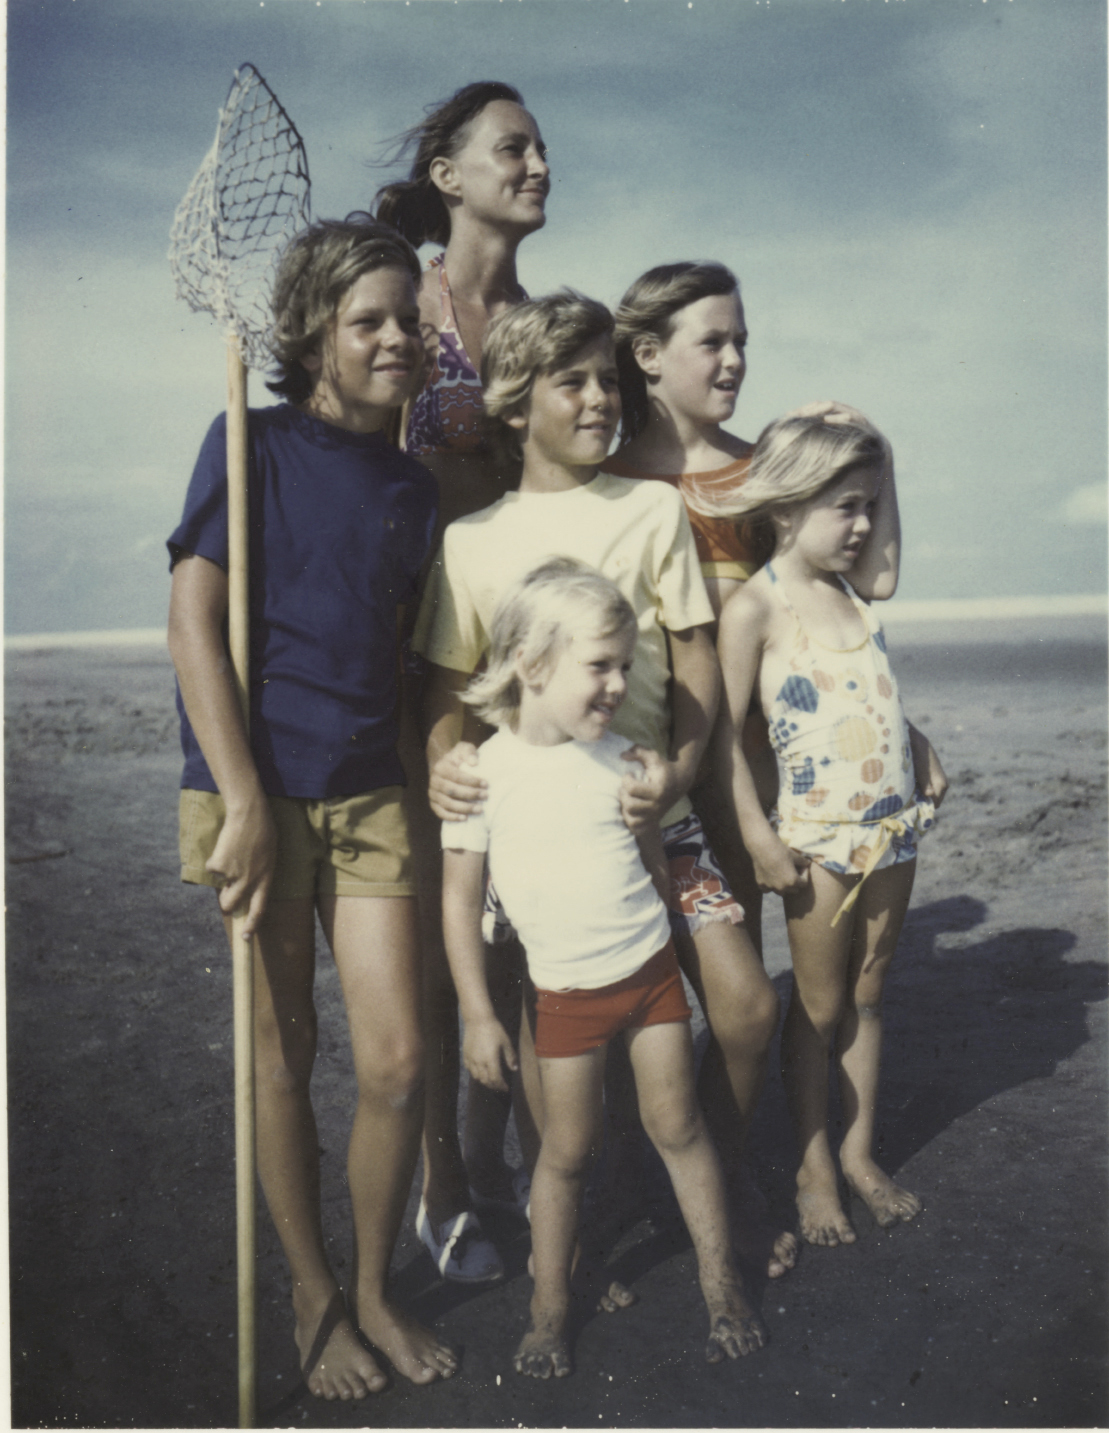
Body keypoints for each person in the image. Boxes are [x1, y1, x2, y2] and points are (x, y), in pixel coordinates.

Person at [414, 289, 794, 1281]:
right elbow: (451, 692)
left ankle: (709, 1165)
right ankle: (597, 1214)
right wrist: (442, 761)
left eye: (606, 381)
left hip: (659, 824)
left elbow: (695, 660)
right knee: (557, 1069)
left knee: (747, 1007)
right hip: (542, 849)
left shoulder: (649, 506)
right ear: (512, 401)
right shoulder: (471, 540)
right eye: (569, 381)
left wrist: (675, 763)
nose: (596, 400)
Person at [166, 217, 458, 1400]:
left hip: (368, 789)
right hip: (254, 789)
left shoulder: (410, 483)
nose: (394, 336)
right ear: (310, 336)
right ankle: (309, 1290)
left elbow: (409, 658)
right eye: (365, 321)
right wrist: (239, 794)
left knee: (393, 1057)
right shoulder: (249, 442)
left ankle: (376, 1287)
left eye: (406, 317)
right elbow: (193, 622)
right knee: (285, 1048)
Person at [441, 557, 766, 1377]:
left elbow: (652, 865)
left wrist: (655, 840)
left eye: (626, 665)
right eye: (600, 665)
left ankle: (720, 1282)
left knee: (678, 1127)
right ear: (532, 663)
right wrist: (479, 1013)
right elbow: (458, 904)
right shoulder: (483, 774)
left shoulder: (628, 762)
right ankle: (549, 1307)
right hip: (564, 1001)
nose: (619, 682)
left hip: (649, 979)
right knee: (565, 1152)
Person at [373, 80, 550, 1279]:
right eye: (510, 148)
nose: (534, 164)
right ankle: (445, 1185)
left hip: (518, 667)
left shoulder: (543, 327)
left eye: (540, 149)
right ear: (447, 172)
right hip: (410, 666)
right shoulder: (402, 307)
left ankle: (495, 1164)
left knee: (517, 930)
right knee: (441, 935)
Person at [609, 261, 903, 953]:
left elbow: (876, 580)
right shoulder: (606, 484)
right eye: (712, 343)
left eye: (741, 341)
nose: (735, 360)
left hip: (745, 760)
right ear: (647, 355)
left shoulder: (766, 477)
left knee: (737, 968)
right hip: (644, 762)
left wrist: (878, 452)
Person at [712, 410, 949, 1248]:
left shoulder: (857, 588)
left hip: (894, 831)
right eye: (842, 506)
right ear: (784, 506)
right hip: (815, 837)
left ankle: (855, 1154)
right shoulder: (756, 606)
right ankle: (812, 1165)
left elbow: (881, 586)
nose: (860, 525)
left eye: (868, 504)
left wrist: (879, 446)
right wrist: (756, 833)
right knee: (814, 1009)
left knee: (868, 997)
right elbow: (722, 736)